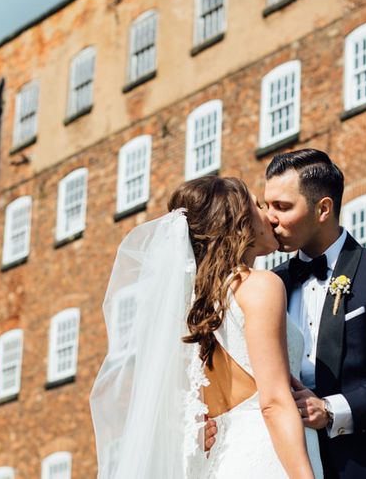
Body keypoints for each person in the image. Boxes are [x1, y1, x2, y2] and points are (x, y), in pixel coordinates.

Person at [206, 149, 366, 479]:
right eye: (266, 205)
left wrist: (330, 411)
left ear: (323, 209)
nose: (270, 217)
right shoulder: (266, 286)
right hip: (279, 461)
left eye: (282, 207)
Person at [90, 175, 322, 478]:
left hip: (223, 460)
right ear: (240, 222)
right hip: (270, 454)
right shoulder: (259, 285)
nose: (269, 215)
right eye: (257, 205)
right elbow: (274, 404)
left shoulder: (194, 307)